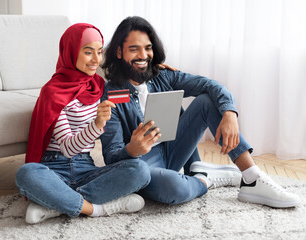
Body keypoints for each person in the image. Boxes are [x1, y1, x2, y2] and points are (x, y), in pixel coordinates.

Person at [100, 16, 300, 208]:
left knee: (206, 100)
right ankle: (204, 179)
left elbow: (210, 85)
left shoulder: (163, 76)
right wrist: (131, 150)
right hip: (142, 166)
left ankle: (252, 177)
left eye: (148, 48)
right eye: (134, 49)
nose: (143, 55)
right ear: (119, 52)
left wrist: (230, 113)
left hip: (174, 150)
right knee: (173, 187)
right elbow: (111, 158)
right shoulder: (112, 95)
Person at [15, 23, 151, 224]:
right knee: (26, 174)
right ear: (71, 53)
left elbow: (129, 83)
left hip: (86, 168)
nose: (96, 60)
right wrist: (96, 124)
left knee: (140, 170)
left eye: (99, 52)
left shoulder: (98, 86)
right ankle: (96, 209)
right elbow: (68, 149)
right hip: (53, 169)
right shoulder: (53, 92)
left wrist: (156, 69)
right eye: (88, 52)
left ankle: (56, 205)